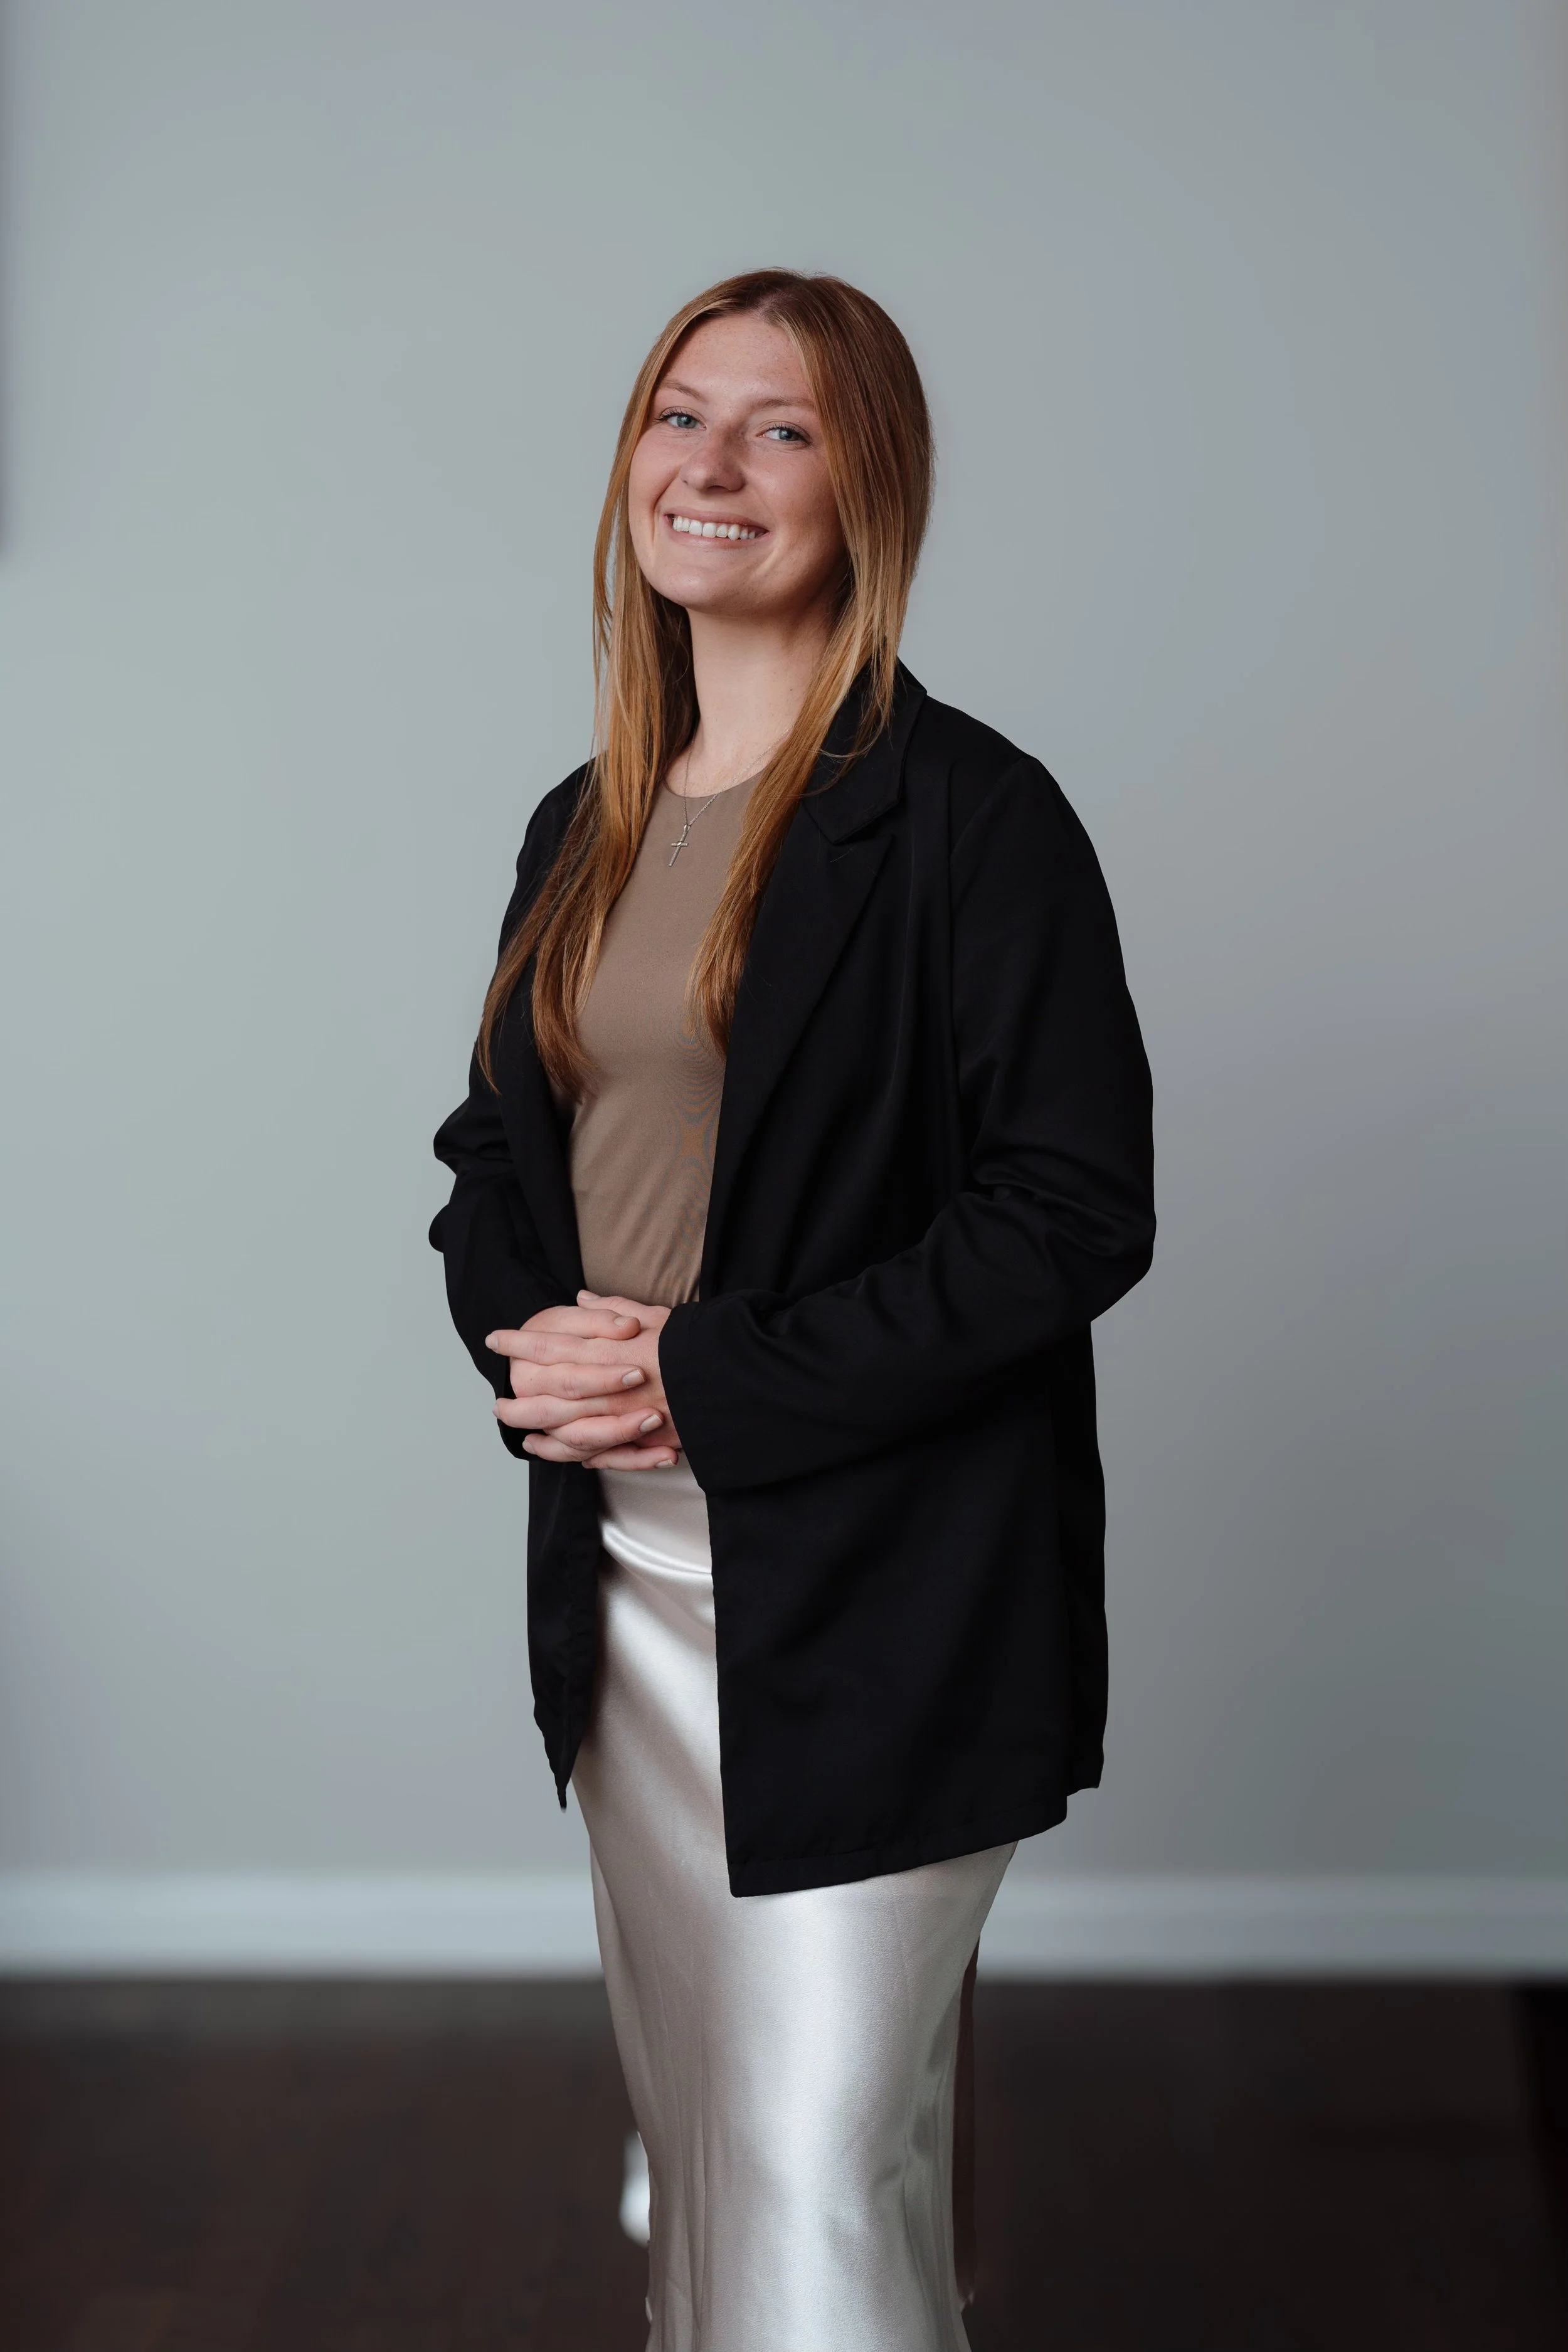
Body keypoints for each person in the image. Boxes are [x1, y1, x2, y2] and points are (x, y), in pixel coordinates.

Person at [430, 268, 1154, 2352]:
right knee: (717, 2160)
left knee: (818, 2180)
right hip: (626, 1589)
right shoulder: (579, 827)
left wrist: (703, 1370)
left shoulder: (977, 819)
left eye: (782, 428)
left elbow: (1067, 1214)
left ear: (870, 486)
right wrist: (537, 1350)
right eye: (679, 414)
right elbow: (496, 1162)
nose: (712, 466)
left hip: (881, 1588)